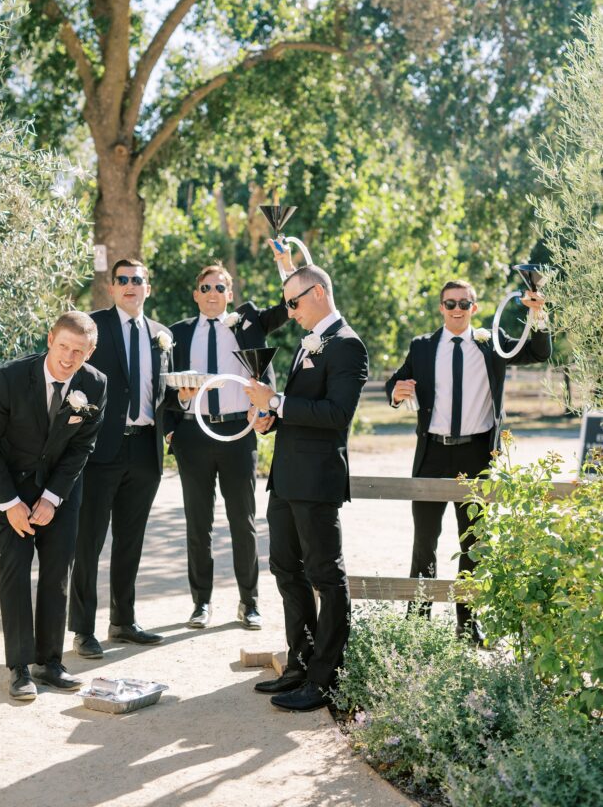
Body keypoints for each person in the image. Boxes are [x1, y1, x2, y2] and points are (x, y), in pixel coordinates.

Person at [385, 279, 551, 640]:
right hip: (431, 453)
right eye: (450, 303)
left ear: (475, 307)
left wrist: (537, 313)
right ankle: (418, 626)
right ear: (441, 308)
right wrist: (396, 394)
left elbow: (538, 352)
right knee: (424, 542)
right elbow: (396, 383)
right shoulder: (423, 347)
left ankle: (467, 624)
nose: (457, 309)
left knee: (473, 545)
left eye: (464, 303)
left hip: (476, 454)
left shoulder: (492, 344)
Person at [245, 264, 369, 712]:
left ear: (317, 293)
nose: (289, 311)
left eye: (293, 302)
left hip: (317, 482)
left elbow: (337, 414)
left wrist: (276, 401)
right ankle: (299, 663)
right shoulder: (309, 342)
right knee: (285, 570)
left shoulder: (349, 346)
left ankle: (325, 680)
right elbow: (301, 411)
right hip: (286, 479)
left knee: (326, 577)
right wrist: (268, 419)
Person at [0, 311, 107, 700]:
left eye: (78, 351)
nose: (69, 358)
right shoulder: (9, 379)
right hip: (8, 489)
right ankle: (19, 667)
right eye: (64, 346)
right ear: (50, 339)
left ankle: (50, 662)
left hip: (59, 492)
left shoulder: (95, 384)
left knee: (57, 571)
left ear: (90, 351)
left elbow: (83, 445)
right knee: (15, 568)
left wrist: (52, 498)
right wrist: (10, 503)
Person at [165, 254, 290, 631]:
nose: (213, 293)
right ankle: (201, 604)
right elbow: (163, 386)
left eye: (220, 286)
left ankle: (249, 603)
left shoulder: (249, 322)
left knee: (243, 522)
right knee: (198, 524)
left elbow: (290, 304)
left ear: (230, 292)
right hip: (193, 434)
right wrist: (174, 418)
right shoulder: (178, 332)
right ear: (196, 295)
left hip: (238, 434)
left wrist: (286, 263)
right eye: (206, 287)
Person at [68, 259, 174, 659]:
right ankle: (82, 629)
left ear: (149, 287)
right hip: (99, 452)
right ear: (112, 288)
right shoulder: (92, 327)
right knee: (88, 542)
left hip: (146, 451)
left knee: (130, 541)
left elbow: (163, 394)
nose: (131, 286)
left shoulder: (161, 336)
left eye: (138, 280)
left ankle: (123, 622)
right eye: (123, 280)